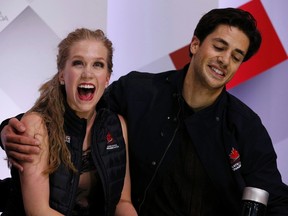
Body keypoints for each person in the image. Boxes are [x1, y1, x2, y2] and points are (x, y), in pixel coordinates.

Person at [1, 7, 288, 215]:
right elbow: (75, 109)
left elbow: (275, 199)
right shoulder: (137, 92)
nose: (224, 60)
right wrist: (8, 128)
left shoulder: (245, 126)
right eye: (219, 47)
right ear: (196, 44)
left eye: (236, 57)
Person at [0, 28, 137, 216]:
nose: (88, 74)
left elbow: (122, 202)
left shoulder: (117, 126)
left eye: (98, 64)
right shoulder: (36, 125)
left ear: (107, 78)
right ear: (62, 75)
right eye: (78, 63)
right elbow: (38, 211)